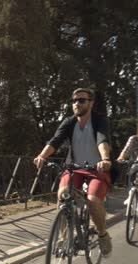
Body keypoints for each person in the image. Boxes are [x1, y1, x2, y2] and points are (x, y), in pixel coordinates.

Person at [33, 88, 113, 257]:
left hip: (97, 168)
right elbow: (55, 141)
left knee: (92, 201)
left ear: (90, 103)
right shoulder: (69, 122)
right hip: (74, 167)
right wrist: (41, 156)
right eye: (74, 101)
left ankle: (103, 234)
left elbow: (102, 139)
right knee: (63, 194)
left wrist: (105, 159)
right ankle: (64, 236)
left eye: (81, 100)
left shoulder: (99, 120)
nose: (77, 103)